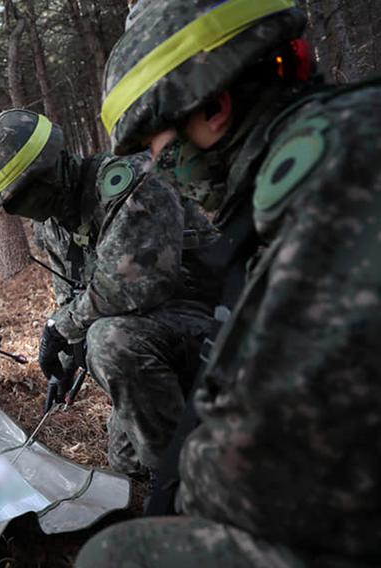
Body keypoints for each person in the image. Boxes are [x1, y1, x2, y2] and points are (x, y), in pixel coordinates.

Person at [75, 0, 381, 565]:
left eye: (156, 147)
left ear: (214, 108)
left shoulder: (333, 176)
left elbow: (270, 482)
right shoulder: (344, 137)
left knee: (116, 556)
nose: (159, 167)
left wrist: (194, 473)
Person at [0, 109, 217, 477]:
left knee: (108, 342)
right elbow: (73, 301)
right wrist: (65, 366)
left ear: (45, 174)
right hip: (156, 339)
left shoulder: (128, 183)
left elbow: (132, 283)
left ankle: (191, 484)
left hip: (213, 326)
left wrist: (58, 328)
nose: (18, 212)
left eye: (17, 199)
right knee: (126, 467)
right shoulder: (52, 229)